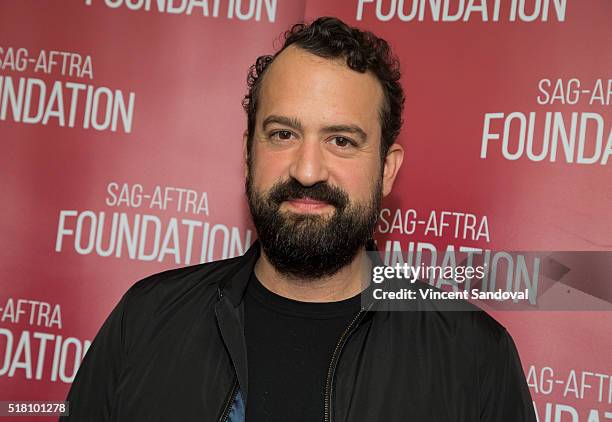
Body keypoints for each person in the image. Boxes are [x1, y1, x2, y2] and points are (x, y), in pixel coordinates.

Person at [61, 17, 537, 422]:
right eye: (283, 133)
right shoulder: (146, 319)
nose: (307, 170)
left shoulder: (474, 358)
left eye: (341, 141)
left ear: (387, 169)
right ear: (248, 155)